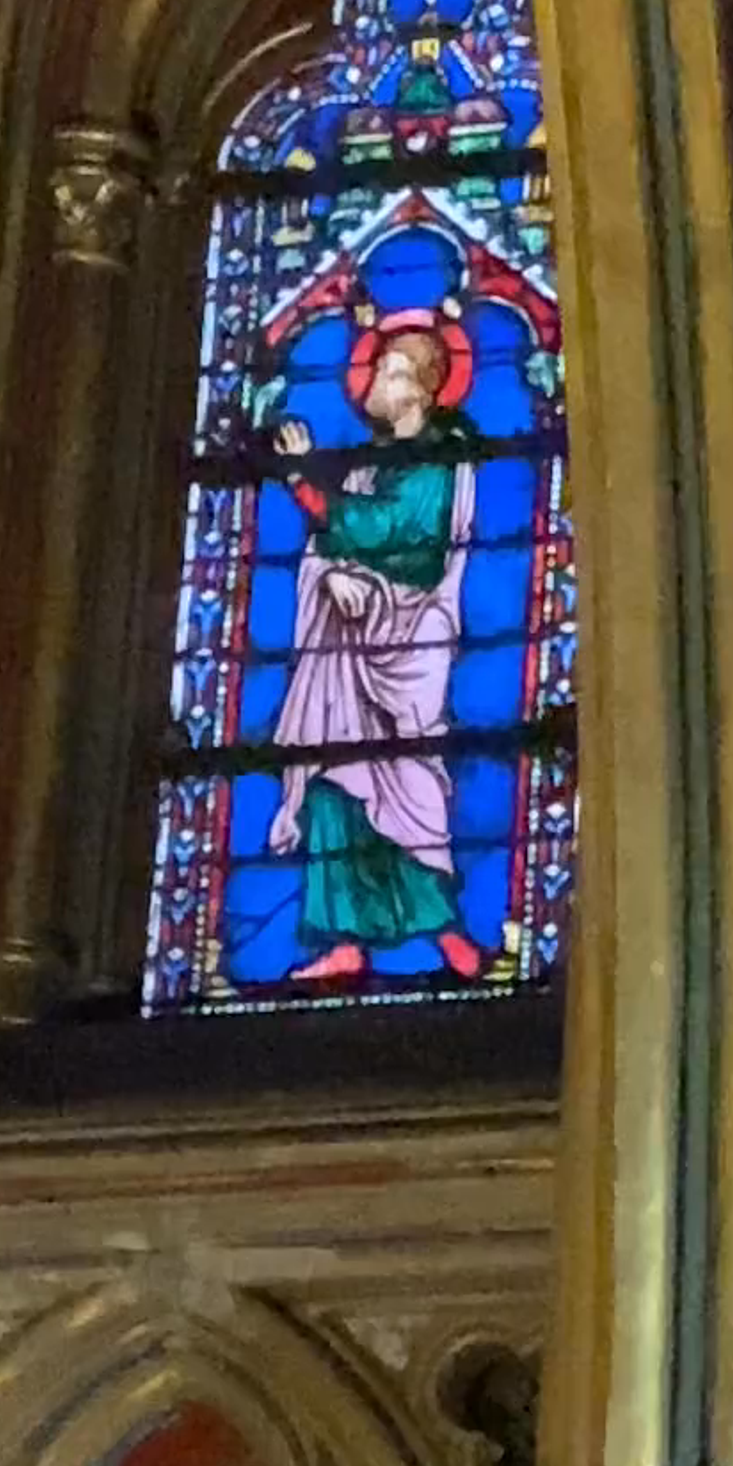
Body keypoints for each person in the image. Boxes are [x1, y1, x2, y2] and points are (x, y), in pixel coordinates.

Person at [260, 301, 483, 982]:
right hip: (347, 644)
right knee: (336, 775)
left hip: (412, 634)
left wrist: (304, 484)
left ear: (421, 385)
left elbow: (396, 532)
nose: (372, 386)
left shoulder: (443, 456)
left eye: (388, 372)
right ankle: (344, 941)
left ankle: (448, 934)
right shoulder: (368, 461)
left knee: (411, 783)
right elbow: (335, 545)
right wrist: (329, 575)